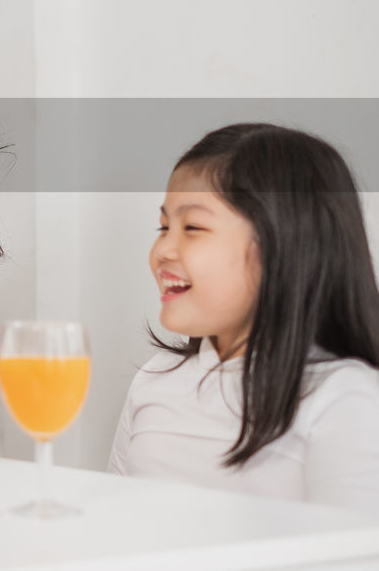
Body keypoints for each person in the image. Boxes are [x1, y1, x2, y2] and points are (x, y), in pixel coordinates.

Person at [108, 123, 379, 510]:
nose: (162, 250)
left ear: (284, 247)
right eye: (164, 226)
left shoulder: (345, 401)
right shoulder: (154, 380)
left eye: (193, 228)